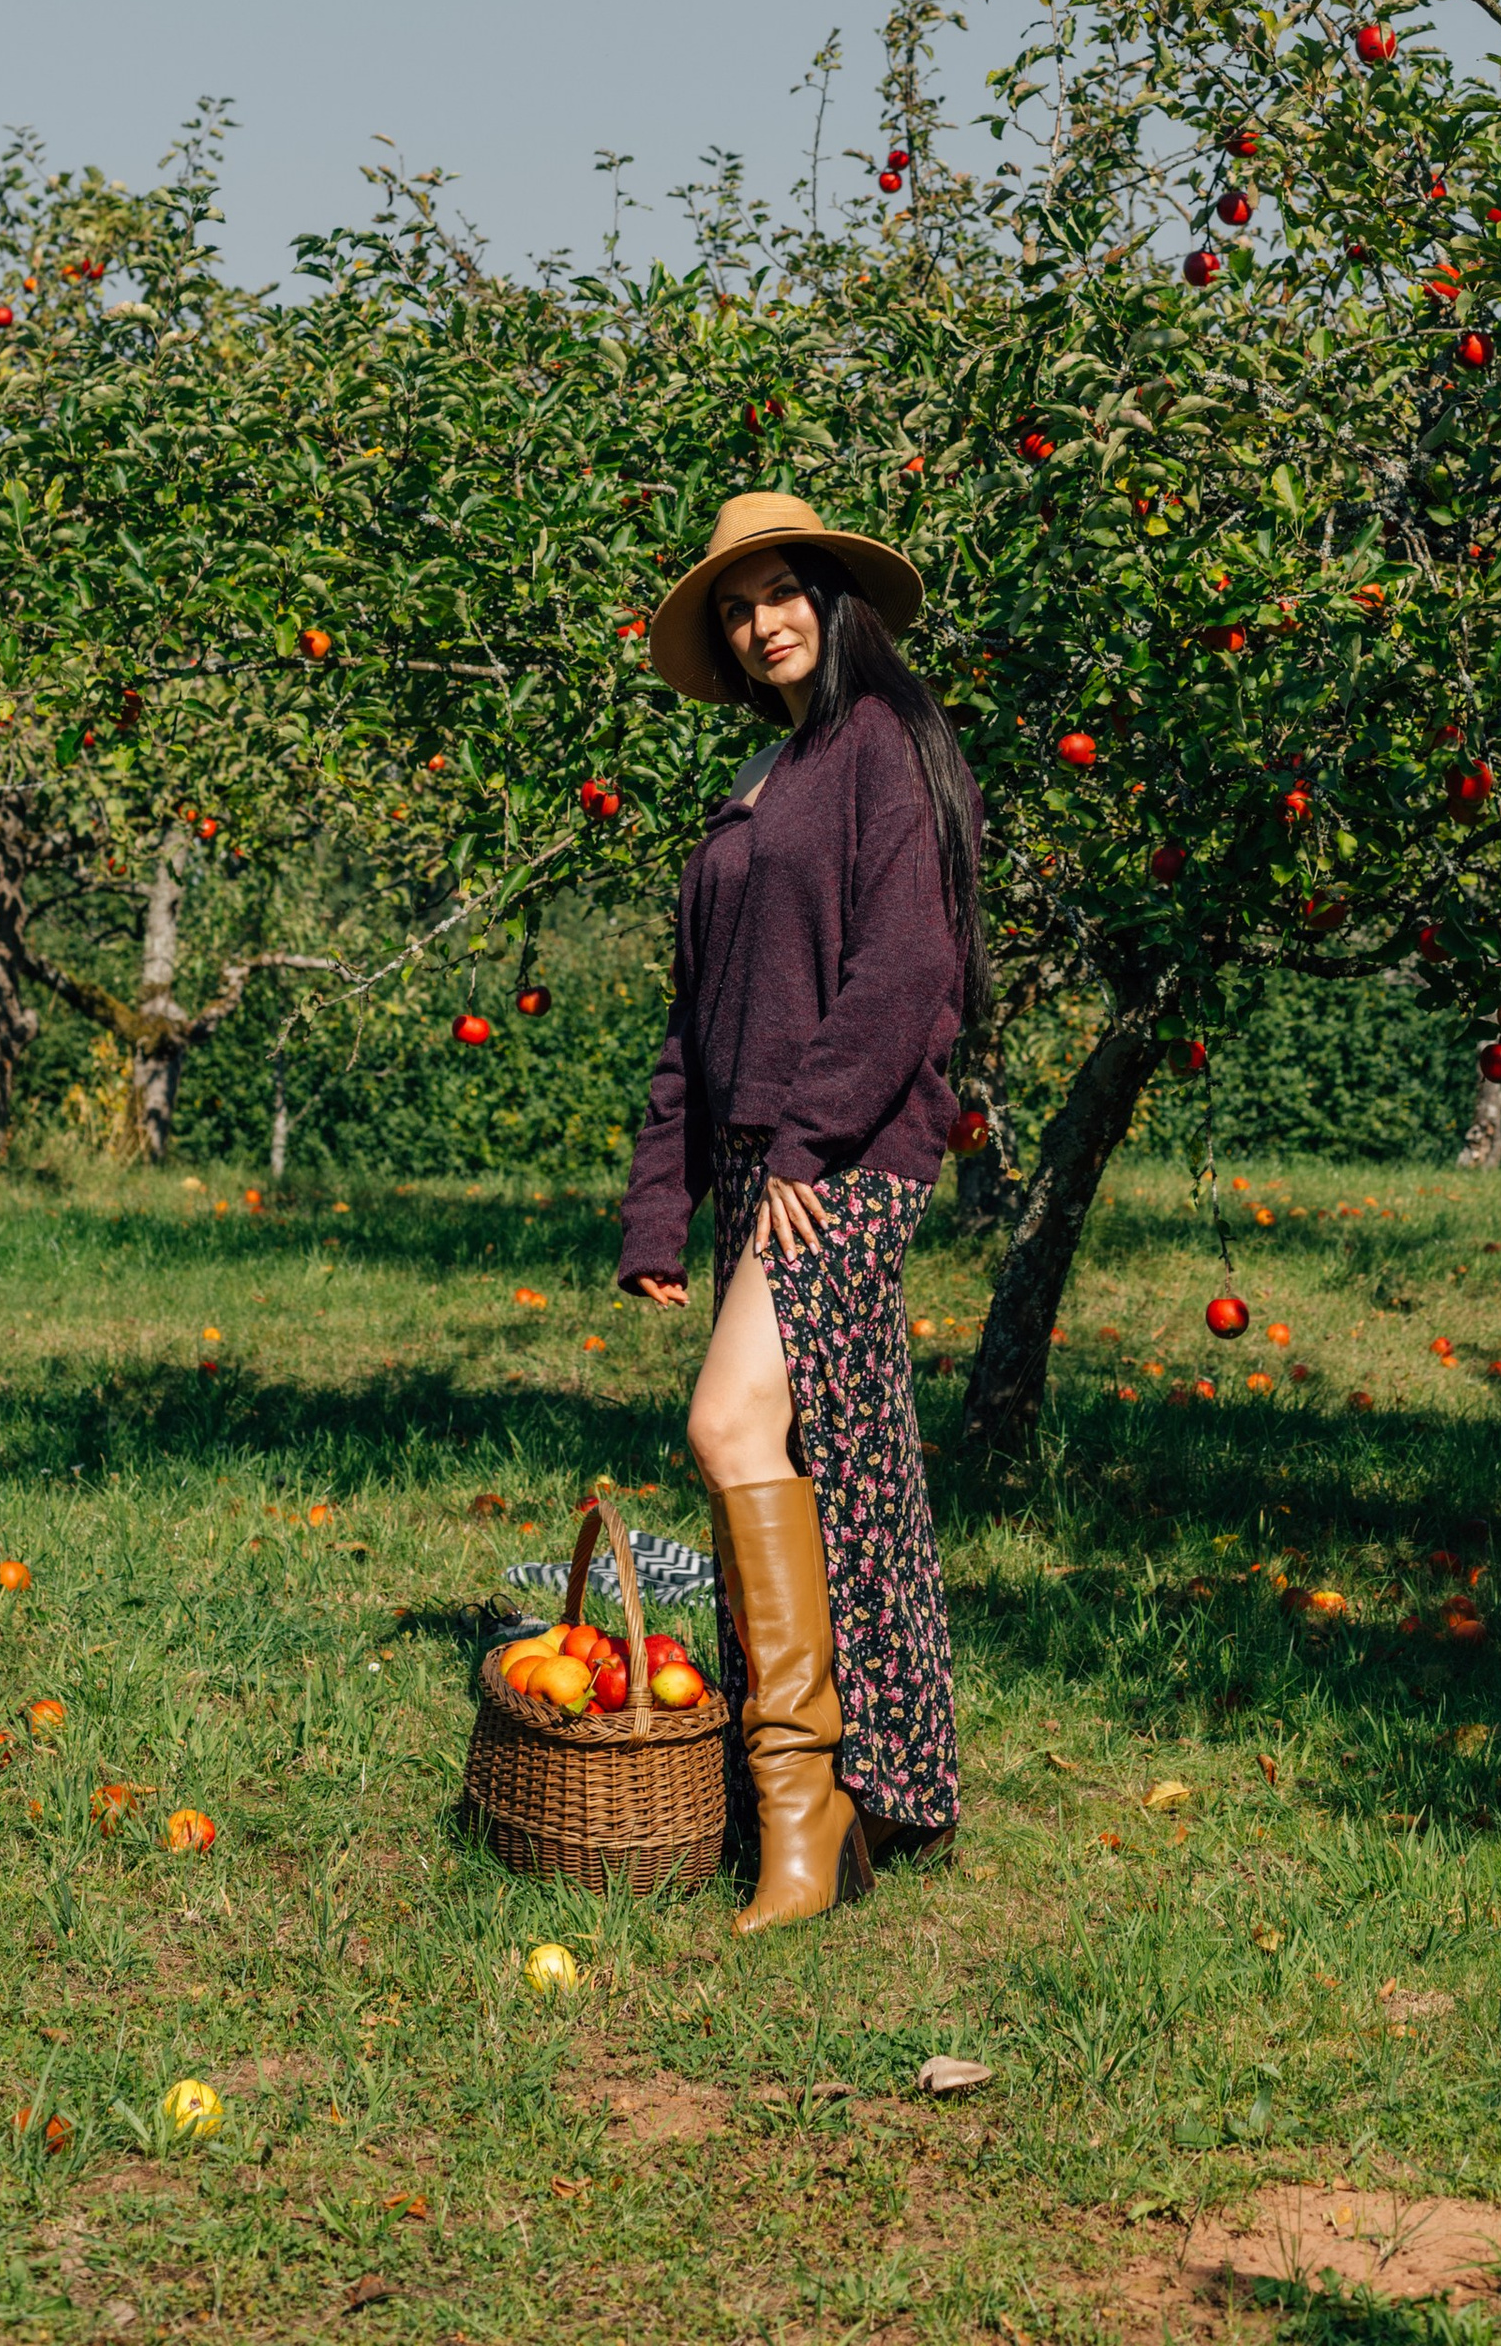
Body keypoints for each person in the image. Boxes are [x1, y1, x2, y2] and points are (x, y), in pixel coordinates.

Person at [615, 488, 986, 1930]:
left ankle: (804, 1808)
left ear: (830, 602)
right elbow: (693, 1023)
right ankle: (857, 1793)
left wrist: (807, 1148)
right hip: (760, 1168)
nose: (760, 622)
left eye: (780, 593)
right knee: (827, 1455)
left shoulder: (880, 747)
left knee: (726, 1428)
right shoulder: (761, 780)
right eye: (735, 607)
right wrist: (659, 1209)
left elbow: (907, 968)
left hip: (837, 1161)